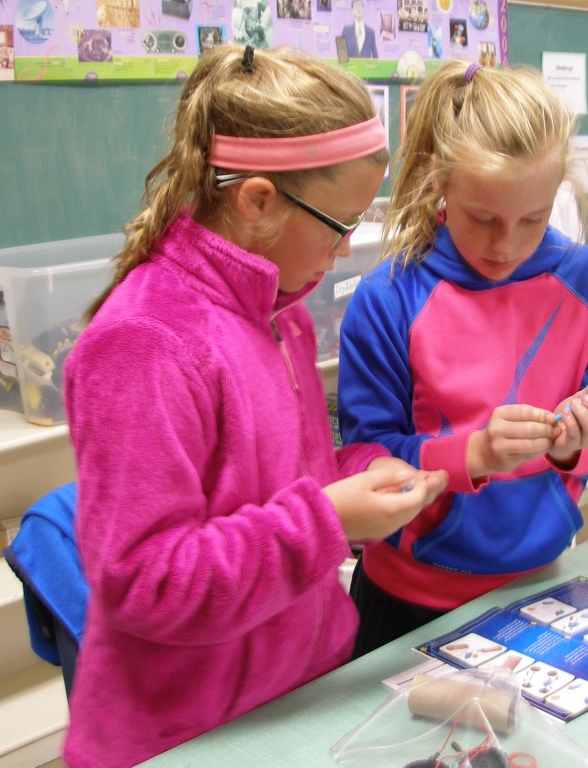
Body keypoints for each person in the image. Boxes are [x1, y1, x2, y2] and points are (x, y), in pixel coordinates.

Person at [60, 44, 447, 768]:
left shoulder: (280, 312)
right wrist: (330, 521)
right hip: (188, 733)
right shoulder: (146, 343)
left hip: (296, 697)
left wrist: (366, 472)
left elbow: (281, 483)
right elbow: (147, 581)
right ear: (259, 201)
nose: (346, 248)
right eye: (339, 224)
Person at [337, 61, 588, 658]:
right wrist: (472, 455)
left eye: (533, 218)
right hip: (409, 601)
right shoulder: (391, 296)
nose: (506, 246)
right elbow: (361, 462)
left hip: (542, 585)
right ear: (438, 182)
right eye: (483, 219)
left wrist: (575, 445)